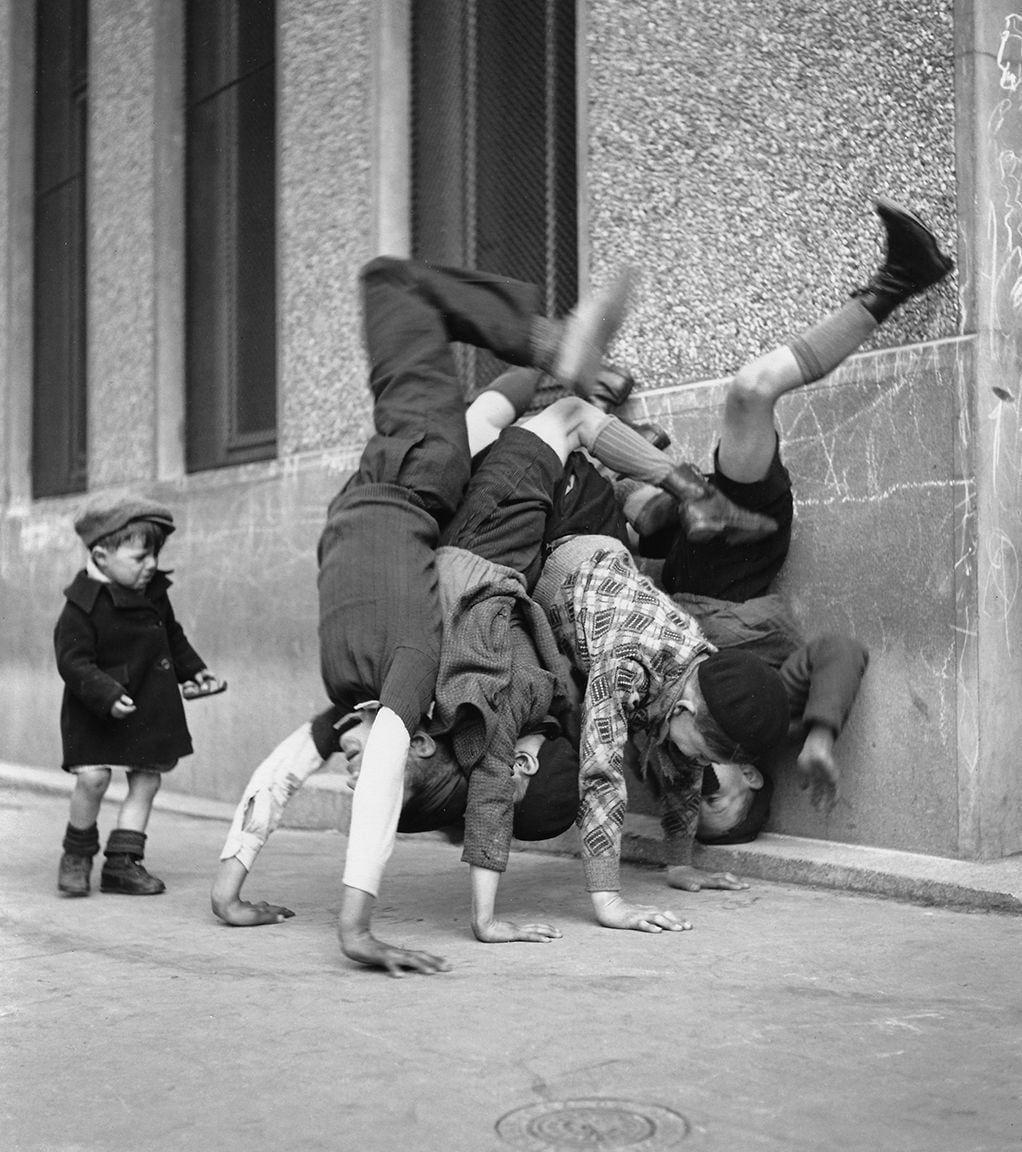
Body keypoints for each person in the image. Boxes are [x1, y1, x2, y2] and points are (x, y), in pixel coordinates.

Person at [279, 255, 776, 976]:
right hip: (506, 538)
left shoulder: (687, 658)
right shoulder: (613, 669)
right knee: (547, 410)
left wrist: (679, 865)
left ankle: (619, 424)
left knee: (512, 411)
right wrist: (610, 900)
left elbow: (662, 774)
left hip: (515, 542)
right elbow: (604, 775)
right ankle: (622, 429)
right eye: (705, 753)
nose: (686, 771)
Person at [610, 196, 952, 877]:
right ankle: (903, 279)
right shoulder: (771, 712)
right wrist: (821, 734)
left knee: (621, 496)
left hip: (669, 573)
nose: (699, 778)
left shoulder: (670, 735)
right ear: (754, 779)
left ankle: (627, 431)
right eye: (718, 792)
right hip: (737, 561)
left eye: (695, 795)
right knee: (750, 392)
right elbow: (839, 650)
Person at [54, 494, 224, 897]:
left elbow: (172, 635)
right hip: (96, 710)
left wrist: (194, 671)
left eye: (154, 556)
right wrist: (106, 693)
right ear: (100, 556)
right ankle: (77, 854)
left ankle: (123, 863)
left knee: (146, 778)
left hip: (147, 702)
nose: (150, 566)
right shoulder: (81, 605)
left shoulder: (153, 593)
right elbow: (72, 661)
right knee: (93, 779)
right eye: (139, 557)